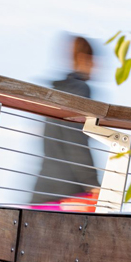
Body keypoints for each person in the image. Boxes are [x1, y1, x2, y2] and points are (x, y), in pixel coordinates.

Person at [37, 35, 100, 205]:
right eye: (94, 62)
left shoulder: (57, 91)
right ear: (83, 59)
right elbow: (76, 139)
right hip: (68, 193)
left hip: (43, 187)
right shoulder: (80, 89)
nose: (96, 68)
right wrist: (92, 184)